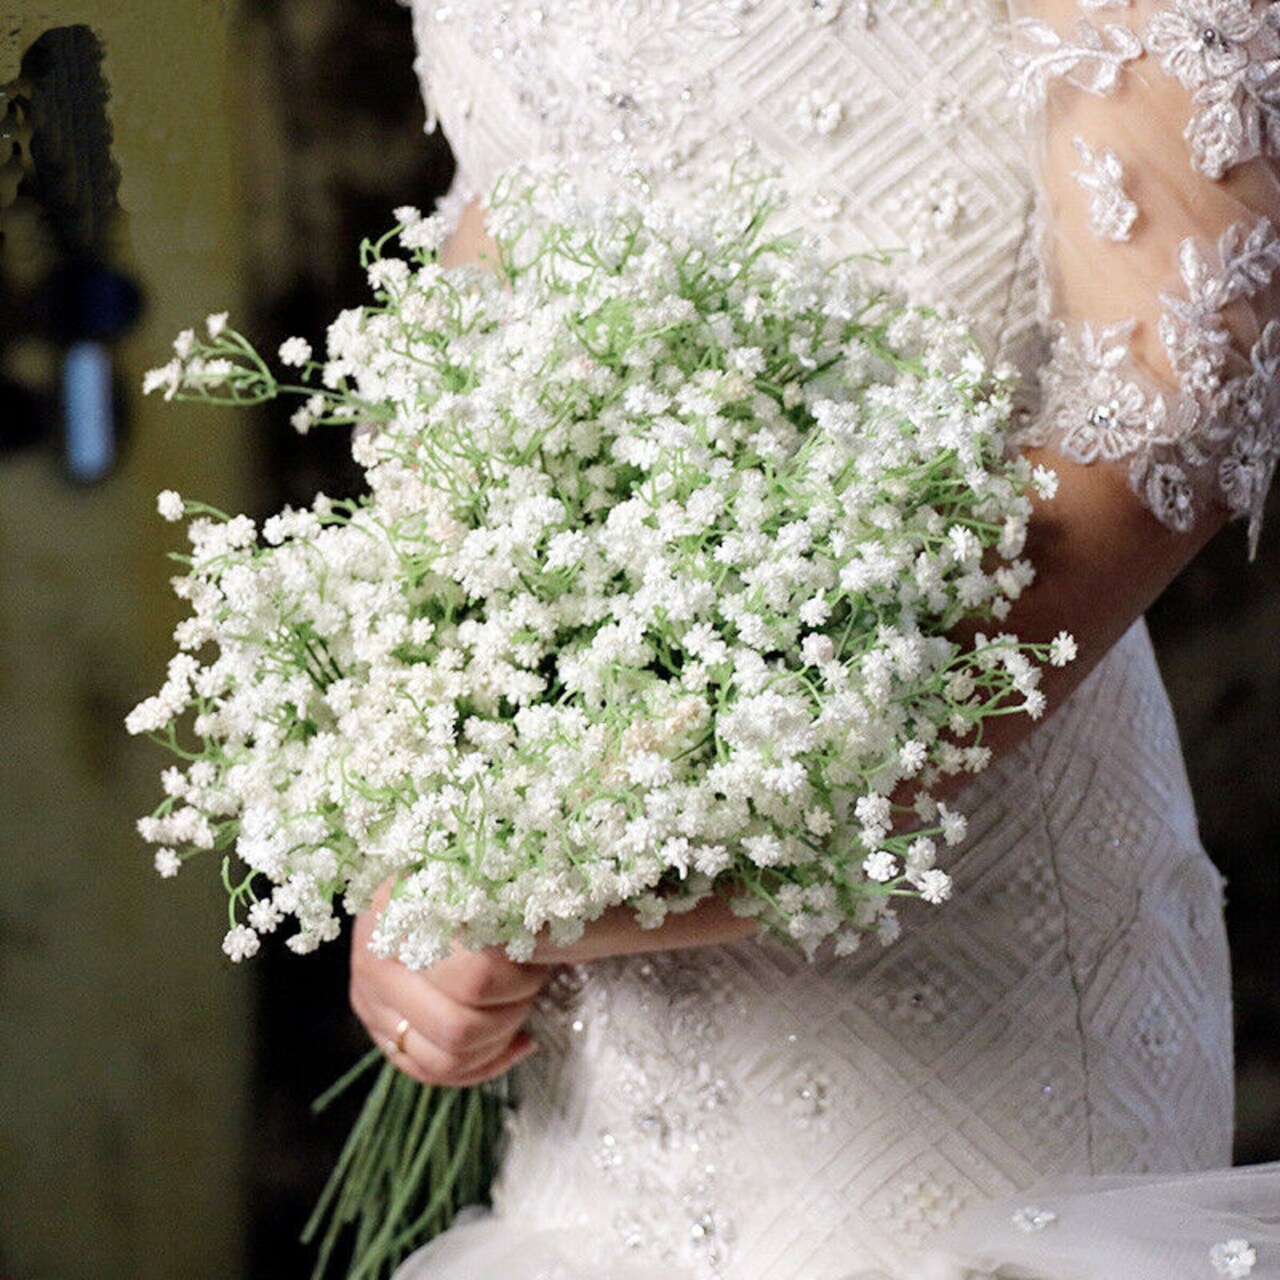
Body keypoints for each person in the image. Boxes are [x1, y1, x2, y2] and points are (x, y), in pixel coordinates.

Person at [348, 0, 1280, 1275]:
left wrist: (587, 871)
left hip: (977, 966)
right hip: (587, 1073)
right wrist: (425, 839)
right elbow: (493, 229)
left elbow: (1176, 409)